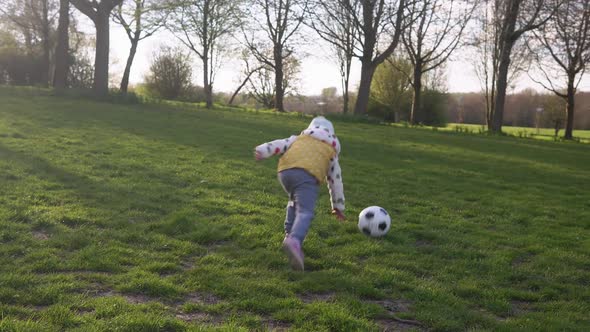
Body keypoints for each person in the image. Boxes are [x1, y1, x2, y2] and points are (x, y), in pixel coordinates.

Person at [254, 116, 346, 271]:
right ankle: (295, 240)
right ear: (332, 135)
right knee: (305, 211)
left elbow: (279, 144)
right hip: (307, 176)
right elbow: (335, 181)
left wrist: (262, 150)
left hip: (285, 173)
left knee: (294, 202)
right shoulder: (331, 151)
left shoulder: (298, 139)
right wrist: (338, 206)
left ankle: (288, 235)